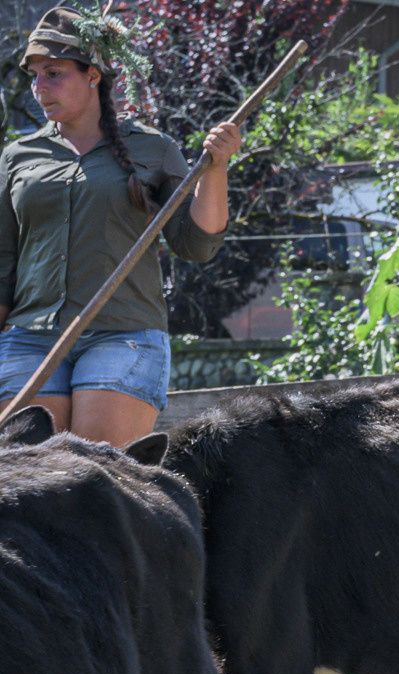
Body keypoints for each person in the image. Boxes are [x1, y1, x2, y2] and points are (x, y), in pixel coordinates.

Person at [0, 7, 240, 446]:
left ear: (93, 75)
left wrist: (217, 169)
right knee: (25, 482)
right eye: (34, 76)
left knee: (92, 480)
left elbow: (196, 245)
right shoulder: (19, 156)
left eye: (53, 73)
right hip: (31, 340)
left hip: (123, 335)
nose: (39, 88)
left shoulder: (154, 149)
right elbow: (4, 258)